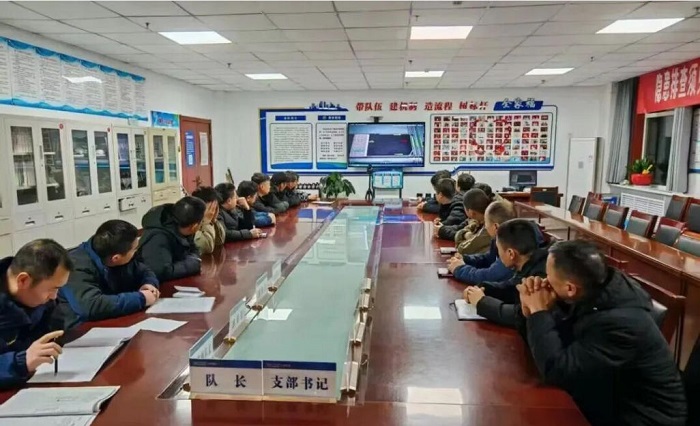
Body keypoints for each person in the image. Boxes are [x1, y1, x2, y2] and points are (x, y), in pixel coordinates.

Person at [518, 240, 687, 426]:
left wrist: (539, 312)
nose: (544, 282)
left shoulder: (619, 323)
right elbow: (564, 339)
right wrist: (533, 310)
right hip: (609, 400)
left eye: (548, 278)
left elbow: (558, 371)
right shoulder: (595, 288)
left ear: (570, 288)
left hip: (644, 418)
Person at [53, 220, 160, 329]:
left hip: (114, 321)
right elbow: (91, 306)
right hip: (80, 330)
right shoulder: (75, 266)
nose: (136, 252)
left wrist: (149, 284)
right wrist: (141, 299)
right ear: (116, 258)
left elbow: (145, 271)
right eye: (134, 250)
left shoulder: (121, 256)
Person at [0, 239, 72, 388]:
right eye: (52, 289)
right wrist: (21, 362)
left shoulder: (39, 299)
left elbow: (53, 333)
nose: (54, 296)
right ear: (23, 280)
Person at [463, 219, 548, 328]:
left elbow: (519, 316)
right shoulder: (530, 263)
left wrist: (482, 302)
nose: (498, 254)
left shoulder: (540, 275)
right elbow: (511, 287)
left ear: (511, 254)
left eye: (499, 249)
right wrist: (482, 288)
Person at [447, 201, 517, 284]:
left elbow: (488, 276)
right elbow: (488, 258)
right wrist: (466, 259)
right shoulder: (499, 239)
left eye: (486, 223)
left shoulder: (511, 248)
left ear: (495, 227)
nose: (485, 227)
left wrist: (459, 269)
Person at [138, 196, 205, 281]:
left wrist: (193, 261)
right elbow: (160, 272)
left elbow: (193, 251)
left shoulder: (184, 228)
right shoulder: (158, 237)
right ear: (194, 226)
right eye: (201, 222)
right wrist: (192, 265)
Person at [191, 187, 226, 254]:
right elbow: (206, 248)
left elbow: (220, 241)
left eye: (215, 207)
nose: (212, 211)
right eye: (211, 207)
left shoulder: (208, 220)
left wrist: (213, 221)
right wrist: (207, 222)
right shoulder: (191, 223)